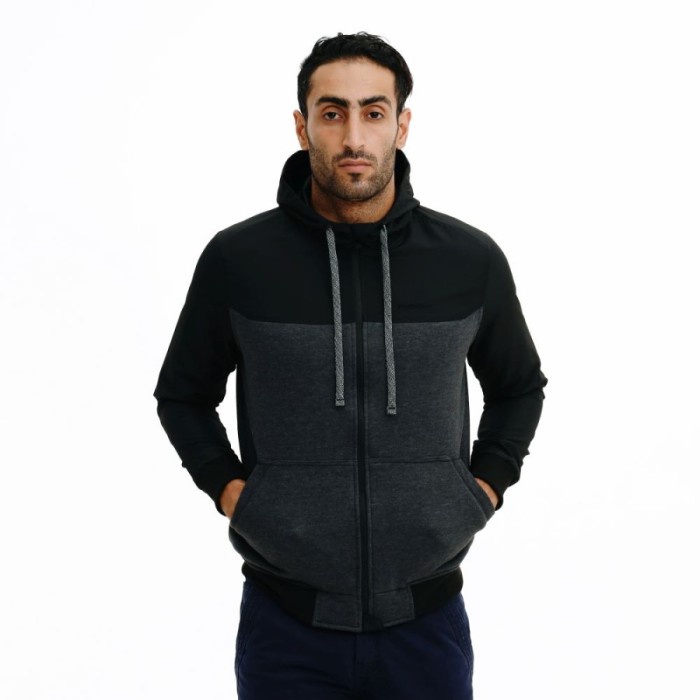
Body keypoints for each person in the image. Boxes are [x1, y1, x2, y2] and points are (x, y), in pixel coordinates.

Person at [154, 31, 547, 700]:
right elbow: (182, 395)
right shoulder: (239, 261)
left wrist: (479, 492)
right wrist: (234, 493)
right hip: (285, 623)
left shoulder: (468, 260)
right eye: (333, 113)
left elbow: (518, 387)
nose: (354, 137)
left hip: (427, 621)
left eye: (374, 112)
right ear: (302, 126)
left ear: (402, 125)